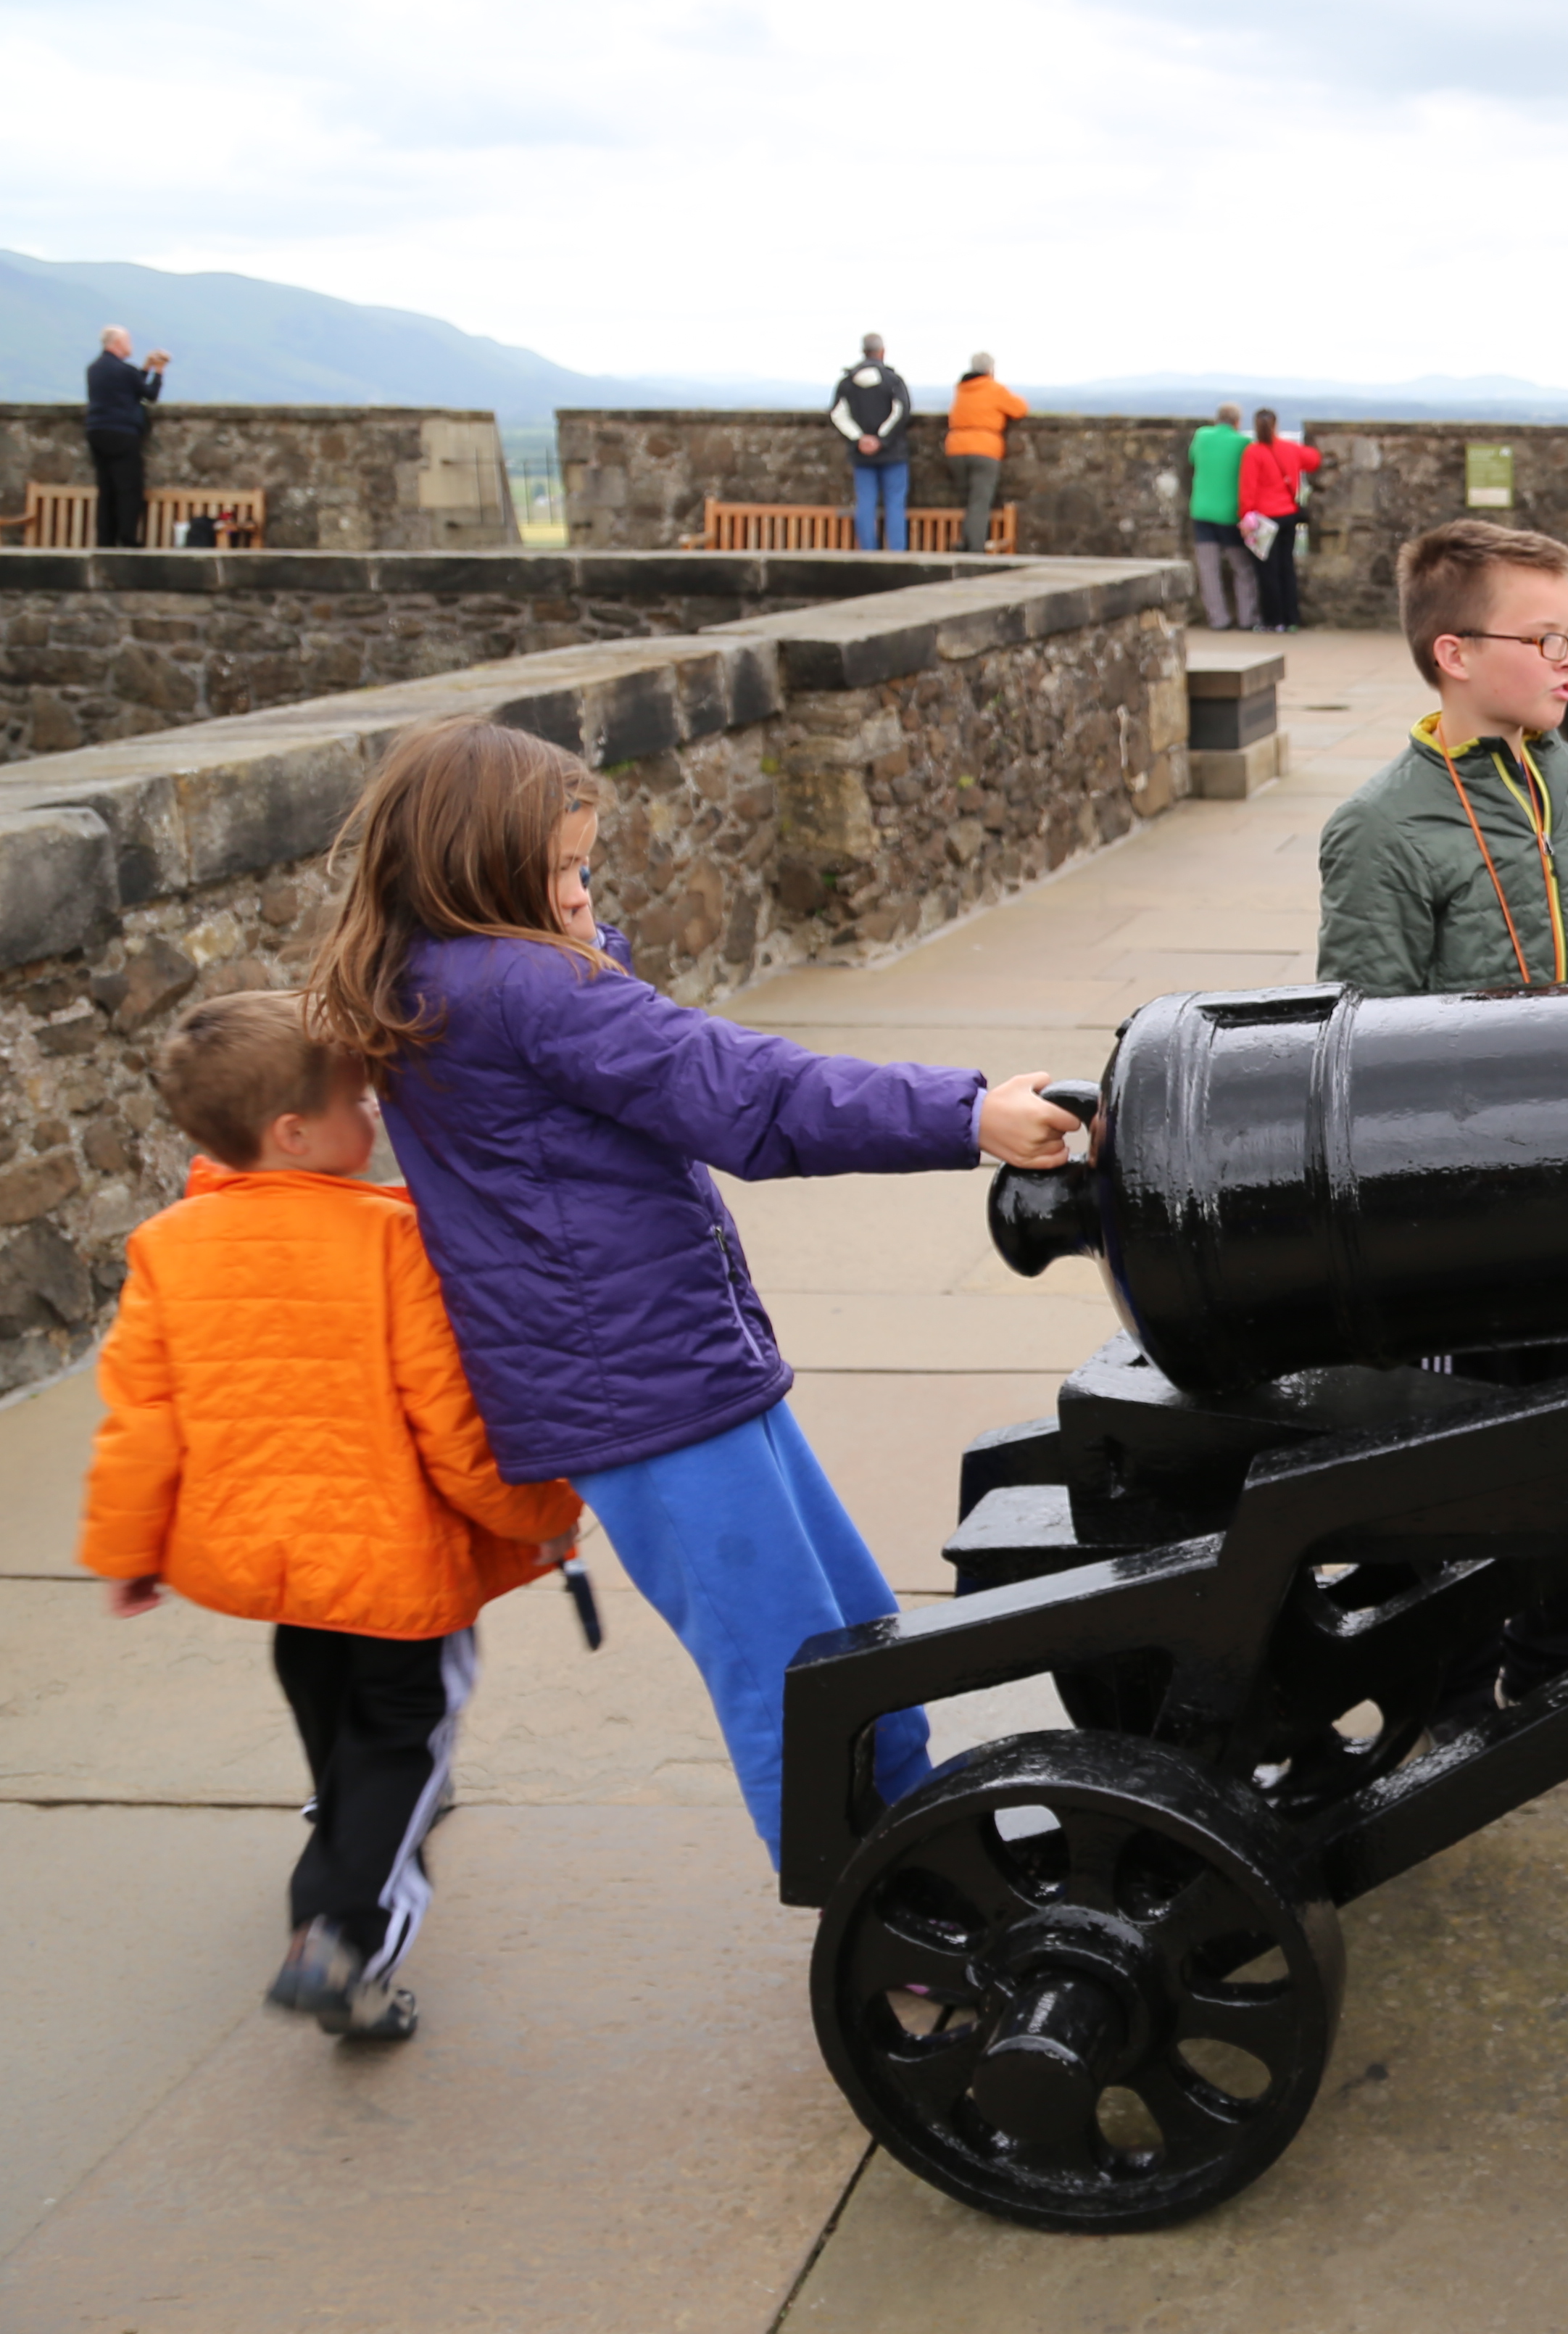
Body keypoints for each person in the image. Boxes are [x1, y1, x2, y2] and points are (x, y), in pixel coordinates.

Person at [302, 718, 1079, 1866]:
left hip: (670, 1367)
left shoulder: (448, 975)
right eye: (566, 870)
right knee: (794, 1672)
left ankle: (926, 1860)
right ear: (489, 867)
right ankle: (892, 1920)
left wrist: (578, 935)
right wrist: (967, 1115)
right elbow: (748, 1094)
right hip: (645, 1389)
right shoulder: (525, 986)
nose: (582, 891)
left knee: (850, 1631)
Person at [80, 989, 587, 2044]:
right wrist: (543, 1513)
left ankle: (343, 1830)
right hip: (397, 1575)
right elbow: (453, 1425)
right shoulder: (389, 1239)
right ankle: (343, 1934)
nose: (379, 1121)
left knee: (330, 1716)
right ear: (294, 1132)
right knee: (408, 1738)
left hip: (277, 1571)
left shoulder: (168, 1248)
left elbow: (141, 1422)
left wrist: (129, 1552)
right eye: (362, 1103)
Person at [1316, 519, 1568, 1709]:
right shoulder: (1380, 828)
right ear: (1454, 652)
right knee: (1465, 1438)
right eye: (1546, 636)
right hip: (1460, 1213)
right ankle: (1447, 1673)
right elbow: (1363, 1046)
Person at [1238, 409, 1324, 633]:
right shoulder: (1289, 449)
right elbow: (1314, 460)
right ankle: (1291, 618)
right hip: (1288, 515)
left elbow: (1248, 488)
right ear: (1276, 426)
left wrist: (1245, 514)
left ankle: (1272, 620)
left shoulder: (1253, 453)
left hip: (1265, 520)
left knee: (1267, 571)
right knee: (1287, 567)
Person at [86, 325, 170, 549]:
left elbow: (129, 387)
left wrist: (144, 368)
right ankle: (128, 538)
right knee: (129, 489)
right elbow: (149, 394)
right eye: (128, 340)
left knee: (106, 490)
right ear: (118, 344)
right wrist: (159, 371)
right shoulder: (125, 371)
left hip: (96, 431)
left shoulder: (94, 369)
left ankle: (105, 541)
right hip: (122, 434)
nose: (130, 345)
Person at [829, 334, 913, 555]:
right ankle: (897, 553)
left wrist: (860, 439)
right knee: (895, 504)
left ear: (863, 352)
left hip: (862, 455)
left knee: (865, 504)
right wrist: (882, 440)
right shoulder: (892, 380)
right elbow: (901, 411)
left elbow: (838, 414)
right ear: (882, 352)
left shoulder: (847, 382)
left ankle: (868, 553)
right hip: (893, 453)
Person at [943, 352, 1029, 554]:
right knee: (979, 503)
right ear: (991, 369)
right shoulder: (994, 389)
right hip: (984, 449)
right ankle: (975, 550)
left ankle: (965, 541)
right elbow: (1020, 409)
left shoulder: (961, 390)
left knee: (967, 500)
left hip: (956, 448)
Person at [1187, 402, 1256, 630]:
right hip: (1231, 514)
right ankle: (1247, 618)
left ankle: (1218, 619)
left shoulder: (1202, 436)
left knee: (1208, 569)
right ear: (1238, 423)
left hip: (1202, 511)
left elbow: (1192, 459)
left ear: (1217, 419)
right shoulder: (1244, 443)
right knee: (1243, 568)